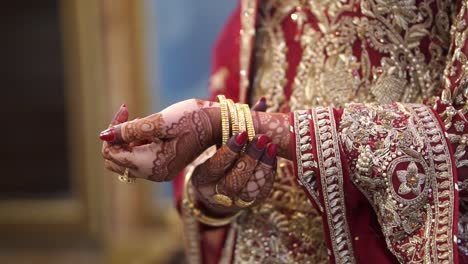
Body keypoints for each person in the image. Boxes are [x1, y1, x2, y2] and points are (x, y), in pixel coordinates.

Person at [100, 0, 468, 263]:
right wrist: (215, 189)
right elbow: (242, 74)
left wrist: (235, 125)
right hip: (262, 242)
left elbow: (459, 130)